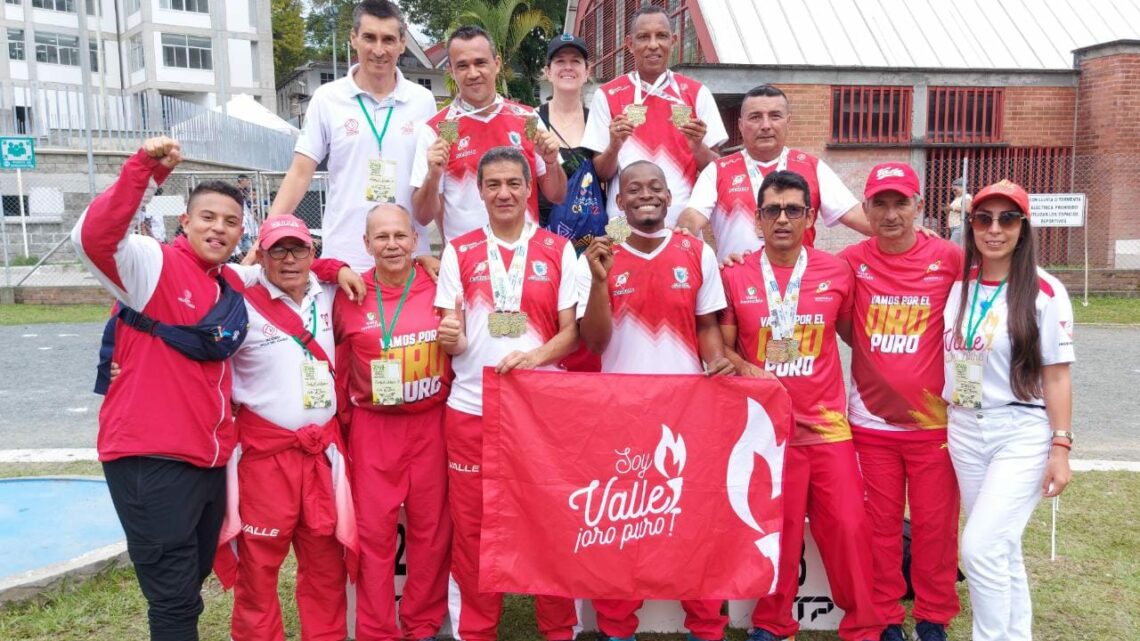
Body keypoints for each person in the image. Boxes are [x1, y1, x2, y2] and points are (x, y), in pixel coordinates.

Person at [70, 137, 252, 640]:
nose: (219, 228)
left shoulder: (224, 281)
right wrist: (145, 173)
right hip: (152, 460)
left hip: (206, 462)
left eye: (231, 221)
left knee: (186, 587)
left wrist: (332, 266)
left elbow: (280, 270)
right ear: (185, 222)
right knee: (172, 600)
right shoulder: (150, 266)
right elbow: (92, 238)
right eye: (208, 217)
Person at [719, 170, 883, 641]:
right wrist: (749, 369)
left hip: (830, 428)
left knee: (849, 531)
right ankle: (773, 624)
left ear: (811, 216)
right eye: (773, 210)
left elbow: (855, 336)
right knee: (781, 534)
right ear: (757, 218)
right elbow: (724, 349)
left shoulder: (837, 271)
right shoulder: (736, 274)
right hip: (771, 433)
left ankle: (865, 625)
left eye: (794, 209)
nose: (783, 219)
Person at [576, 160, 732, 641]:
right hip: (621, 414)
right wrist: (600, 281)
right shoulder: (599, 258)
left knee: (693, 524)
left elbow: (707, 326)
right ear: (618, 203)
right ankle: (616, 628)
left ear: (669, 197)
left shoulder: (695, 252)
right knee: (621, 525)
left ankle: (707, 627)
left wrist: (718, 362)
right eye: (634, 189)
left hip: (687, 412)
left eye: (656, 188)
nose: (646, 195)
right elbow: (595, 343)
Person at [434, 146, 579, 641]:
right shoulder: (460, 249)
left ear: (529, 188)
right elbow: (451, 326)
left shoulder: (559, 251)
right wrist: (451, 336)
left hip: (543, 413)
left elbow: (570, 333)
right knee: (475, 532)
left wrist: (535, 359)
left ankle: (558, 629)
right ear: (479, 190)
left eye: (513, 183)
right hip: (473, 409)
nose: (504, 193)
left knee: (551, 524)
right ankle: (475, 631)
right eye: (492, 184)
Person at [943, 179, 1073, 641]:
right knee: (1001, 548)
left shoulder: (1044, 291)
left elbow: (1057, 375)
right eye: (984, 219)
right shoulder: (960, 288)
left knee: (979, 549)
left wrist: (1061, 446)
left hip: (1019, 430)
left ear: (1023, 227)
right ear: (971, 225)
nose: (994, 229)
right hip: (964, 428)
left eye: (1007, 219)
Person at [837, 163, 963, 641]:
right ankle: (887, 616)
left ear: (920, 207)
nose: (891, 214)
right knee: (881, 528)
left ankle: (934, 617)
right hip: (871, 423)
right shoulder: (851, 260)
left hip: (935, 425)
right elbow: (843, 322)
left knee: (935, 527)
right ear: (866, 208)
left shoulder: (949, 258)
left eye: (901, 203)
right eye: (880, 204)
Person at [217, 214, 355, 641]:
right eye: (278, 249)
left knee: (325, 569)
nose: (289, 259)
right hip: (264, 458)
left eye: (298, 248)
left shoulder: (329, 291)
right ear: (261, 254)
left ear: (313, 253)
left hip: (321, 456)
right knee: (258, 572)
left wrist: (338, 267)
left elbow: (382, 267)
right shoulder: (237, 297)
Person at [333, 203, 452, 641]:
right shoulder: (348, 293)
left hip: (430, 423)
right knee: (374, 537)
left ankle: (421, 626)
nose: (392, 244)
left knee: (431, 533)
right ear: (366, 244)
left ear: (416, 240)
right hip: (374, 427)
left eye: (400, 235)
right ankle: (377, 630)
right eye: (381, 237)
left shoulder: (440, 284)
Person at [269, 0, 439, 268]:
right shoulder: (327, 98)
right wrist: (267, 233)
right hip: (346, 259)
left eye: (388, 39)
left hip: (408, 257)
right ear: (353, 38)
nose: (379, 50)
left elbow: (433, 180)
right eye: (370, 38)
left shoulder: (423, 101)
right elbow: (301, 173)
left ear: (402, 43)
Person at [411, 26, 566, 243]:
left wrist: (551, 163)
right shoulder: (437, 129)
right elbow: (422, 216)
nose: (473, 73)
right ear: (451, 70)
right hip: (467, 264)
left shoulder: (527, 118)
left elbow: (557, 195)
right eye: (462, 66)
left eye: (480, 62)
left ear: (497, 63)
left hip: (525, 259)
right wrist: (433, 176)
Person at [678, 84, 868, 258]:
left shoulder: (813, 167)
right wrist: (682, 237)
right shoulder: (717, 171)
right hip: (737, 286)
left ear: (788, 121)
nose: (766, 125)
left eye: (775, 116)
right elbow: (691, 220)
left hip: (800, 286)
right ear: (740, 125)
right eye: (755, 117)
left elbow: (860, 218)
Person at [581, 4, 728, 226]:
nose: (653, 45)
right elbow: (601, 173)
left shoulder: (697, 93)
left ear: (674, 40)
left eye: (661, 36)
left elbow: (717, 171)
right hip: (622, 225)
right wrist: (614, 145)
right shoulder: (607, 94)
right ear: (630, 44)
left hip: (680, 226)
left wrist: (698, 146)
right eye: (643, 37)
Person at [537, 33, 596, 227]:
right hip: (546, 231)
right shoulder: (531, 119)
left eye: (576, 61)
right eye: (560, 61)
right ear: (548, 72)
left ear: (587, 71)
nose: (568, 67)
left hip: (591, 232)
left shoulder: (597, 120)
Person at [945, 177, 971, 245]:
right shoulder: (957, 198)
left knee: (952, 245)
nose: (954, 192)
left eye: (955, 190)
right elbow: (951, 210)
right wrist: (947, 209)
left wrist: (952, 208)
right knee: (958, 246)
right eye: (953, 190)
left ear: (963, 188)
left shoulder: (966, 196)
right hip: (953, 226)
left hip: (960, 225)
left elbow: (968, 209)